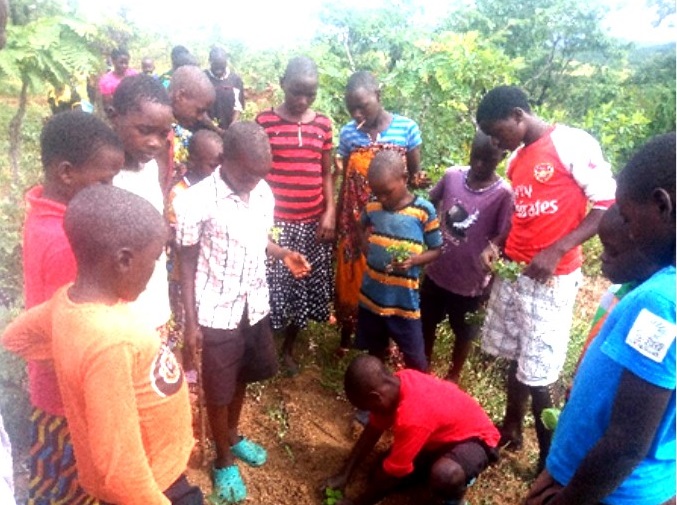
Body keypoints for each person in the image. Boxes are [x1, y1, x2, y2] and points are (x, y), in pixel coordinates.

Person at [3, 185, 201, 505]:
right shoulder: (109, 344)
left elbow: (15, 337)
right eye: (154, 259)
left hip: (160, 472)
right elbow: (121, 475)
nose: (154, 271)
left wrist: (75, 366)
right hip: (154, 487)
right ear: (123, 260)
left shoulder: (67, 300)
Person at [525, 133, 676, 505]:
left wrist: (570, 498)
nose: (625, 226)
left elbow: (626, 443)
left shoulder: (660, 304)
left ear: (661, 206)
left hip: (608, 492)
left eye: (626, 214)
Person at [475, 85, 616, 469]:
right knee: (517, 358)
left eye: (497, 129)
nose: (494, 140)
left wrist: (557, 249)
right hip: (514, 272)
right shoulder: (516, 161)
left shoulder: (572, 144)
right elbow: (523, 215)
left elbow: (606, 205)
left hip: (552, 278)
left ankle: (549, 459)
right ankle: (511, 430)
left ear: (519, 115)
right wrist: (497, 243)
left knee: (541, 371)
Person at [175, 122, 311, 504]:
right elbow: (184, 260)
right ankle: (221, 460)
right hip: (215, 310)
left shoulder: (262, 191)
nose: (255, 182)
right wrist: (189, 320)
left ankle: (232, 436)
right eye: (249, 173)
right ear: (225, 160)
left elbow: (257, 237)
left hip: (255, 303)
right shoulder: (195, 201)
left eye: (261, 174)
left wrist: (282, 253)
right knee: (217, 392)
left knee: (243, 376)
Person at [19, 110, 124, 505]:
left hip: (49, 388)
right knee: (71, 487)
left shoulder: (41, 211)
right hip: (69, 400)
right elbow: (80, 329)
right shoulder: (68, 241)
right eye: (104, 180)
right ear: (66, 173)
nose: (110, 190)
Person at [326, 355, 500, 505]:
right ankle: (431, 470)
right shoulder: (397, 384)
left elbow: (391, 476)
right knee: (377, 472)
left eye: (369, 408)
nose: (371, 413)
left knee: (444, 475)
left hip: (477, 440)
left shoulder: (412, 416)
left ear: (375, 397)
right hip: (439, 439)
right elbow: (372, 430)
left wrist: (357, 503)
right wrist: (344, 474)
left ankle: (455, 498)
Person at [335, 71, 425, 353]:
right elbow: (346, 177)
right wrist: (338, 216)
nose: (357, 113)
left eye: (363, 105)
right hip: (355, 218)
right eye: (352, 108)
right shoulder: (349, 133)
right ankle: (348, 335)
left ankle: (385, 338)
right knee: (353, 275)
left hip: (391, 219)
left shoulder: (407, 128)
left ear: (379, 96)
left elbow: (412, 177)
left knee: (385, 274)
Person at [255, 56, 335, 374]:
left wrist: (329, 212)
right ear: (282, 83)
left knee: (302, 283)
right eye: (296, 93)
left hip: (311, 222)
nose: (302, 101)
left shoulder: (323, 125)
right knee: (272, 284)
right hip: (276, 223)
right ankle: (265, 343)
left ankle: (289, 347)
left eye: (310, 94)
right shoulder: (265, 122)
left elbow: (327, 172)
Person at [421, 131, 512, 383]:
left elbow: (502, 234)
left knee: (463, 332)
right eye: (475, 158)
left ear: (501, 157)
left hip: (470, 282)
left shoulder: (503, 194)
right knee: (426, 321)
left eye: (487, 160)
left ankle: (453, 377)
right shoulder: (452, 176)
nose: (479, 165)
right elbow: (430, 202)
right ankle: (423, 368)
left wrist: (491, 265)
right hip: (437, 269)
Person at [355, 150, 442, 373]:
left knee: (416, 361)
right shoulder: (373, 206)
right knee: (375, 353)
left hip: (403, 303)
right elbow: (360, 226)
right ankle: (374, 398)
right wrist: (366, 247)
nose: (383, 199)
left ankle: (415, 398)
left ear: (404, 178)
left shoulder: (423, 211)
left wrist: (414, 260)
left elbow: (437, 249)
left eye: (387, 192)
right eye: (377, 193)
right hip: (372, 297)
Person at [108, 74, 174, 333]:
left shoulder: (151, 168)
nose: (154, 143)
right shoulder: (104, 179)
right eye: (144, 131)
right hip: (122, 319)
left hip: (155, 304)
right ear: (115, 117)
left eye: (162, 134)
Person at [166, 129, 223, 374]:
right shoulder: (181, 193)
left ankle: (201, 360)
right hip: (182, 270)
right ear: (193, 162)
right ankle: (185, 365)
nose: (219, 169)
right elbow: (177, 237)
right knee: (183, 317)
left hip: (209, 269)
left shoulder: (218, 188)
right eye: (213, 164)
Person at [165, 65, 216, 193]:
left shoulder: (178, 132)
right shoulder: (153, 134)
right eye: (199, 110)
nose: (200, 118)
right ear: (180, 96)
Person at [205, 46, 244, 133]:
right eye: (215, 65)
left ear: (226, 62)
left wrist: (232, 127)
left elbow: (238, 106)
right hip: (207, 130)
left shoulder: (235, 79)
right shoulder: (203, 77)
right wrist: (215, 129)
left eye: (221, 66)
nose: (219, 70)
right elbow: (199, 109)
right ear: (210, 61)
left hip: (229, 130)